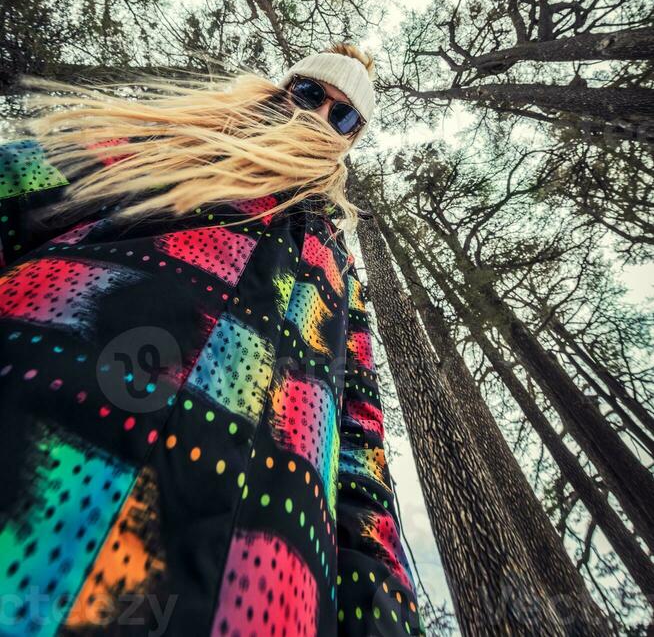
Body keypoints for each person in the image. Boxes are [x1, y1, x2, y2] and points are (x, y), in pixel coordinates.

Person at [0, 43, 425, 637]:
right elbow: (21, 183)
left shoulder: (336, 266)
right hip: (40, 439)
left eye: (345, 115)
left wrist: (380, 616)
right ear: (284, 91)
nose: (321, 118)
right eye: (311, 95)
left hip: (260, 585)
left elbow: (358, 443)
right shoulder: (175, 143)